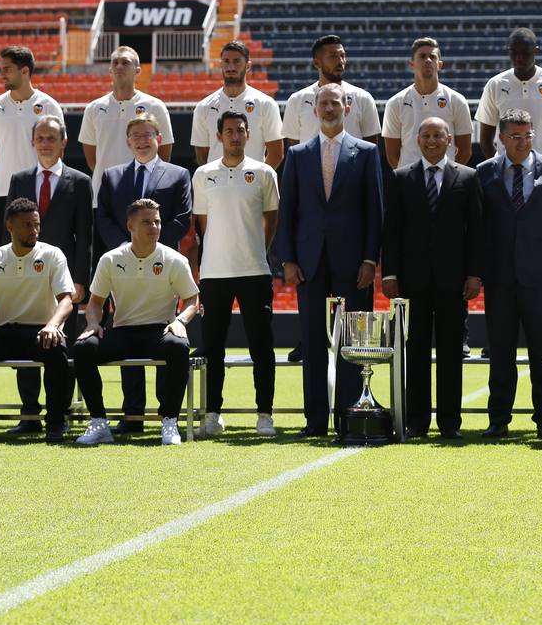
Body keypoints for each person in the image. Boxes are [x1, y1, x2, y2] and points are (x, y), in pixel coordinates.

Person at [273, 83, 383, 437]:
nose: (330, 108)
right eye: (324, 104)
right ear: (314, 110)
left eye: (336, 103)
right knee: (313, 342)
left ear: (347, 108)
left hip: (354, 263)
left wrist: (370, 259)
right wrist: (287, 259)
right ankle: (315, 420)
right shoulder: (298, 155)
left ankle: (350, 415)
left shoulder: (366, 153)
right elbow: (287, 211)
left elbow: (375, 212)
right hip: (309, 261)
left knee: (352, 343)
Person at [382, 117, 483, 438]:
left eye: (437, 135)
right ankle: (417, 421)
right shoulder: (400, 178)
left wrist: (474, 274)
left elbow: (476, 231)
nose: (431, 140)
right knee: (416, 352)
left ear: (449, 139)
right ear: (417, 139)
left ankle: (450, 423)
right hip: (413, 281)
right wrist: (391, 274)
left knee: (452, 353)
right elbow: (392, 231)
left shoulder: (469, 177)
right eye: (425, 135)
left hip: (454, 281)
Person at [72, 199, 200, 446]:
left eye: (157, 221)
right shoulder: (110, 259)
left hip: (160, 329)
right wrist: (92, 324)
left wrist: (181, 321)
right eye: (146, 222)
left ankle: (170, 420)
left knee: (179, 346)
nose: (154, 227)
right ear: (130, 225)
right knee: (83, 348)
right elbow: (96, 302)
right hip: (123, 331)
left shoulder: (174, 260)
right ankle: (99, 423)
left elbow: (192, 299)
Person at [97, 113, 192, 435]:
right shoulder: (111, 177)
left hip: (162, 268)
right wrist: (129, 248)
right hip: (123, 267)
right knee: (125, 326)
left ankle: (168, 415)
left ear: (159, 138)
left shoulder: (178, 174)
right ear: (127, 141)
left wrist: (151, 247)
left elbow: (182, 217)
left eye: (147, 134)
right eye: (135, 135)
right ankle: (132, 415)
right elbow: (105, 218)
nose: (141, 140)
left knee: (167, 335)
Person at [475, 108, 542, 438]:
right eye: (515, 135)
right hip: (499, 278)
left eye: (528, 135)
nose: (523, 141)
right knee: (501, 353)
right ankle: (498, 420)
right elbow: (480, 226)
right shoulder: (483, 173)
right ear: (500, 138)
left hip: (541, 277)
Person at [0, 198, 75, 443]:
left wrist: (53, 326)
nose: (33, 231)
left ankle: (55, 424)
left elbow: (66, 300)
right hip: (5, 331)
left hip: (41, 331)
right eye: (26, 225)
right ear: (10, 227)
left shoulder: (52, 255)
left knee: (57, 352)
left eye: (36, 225)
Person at [4, 115, 93, 434]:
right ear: (33, 141)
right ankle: (29, 414)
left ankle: (62, 413)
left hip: (63, 280)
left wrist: (80, 279)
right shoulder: (19, 179)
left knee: (60, 348)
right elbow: (10, 228)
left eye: (51, 138)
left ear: (63, 142)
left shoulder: (80, 181)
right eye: (40, 137)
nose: (45, 143)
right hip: (24, 278)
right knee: (26, 341)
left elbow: (85, 234)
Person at [193, 111, 279, 437]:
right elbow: (203, 223)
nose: (234, 136)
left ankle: (265, 414)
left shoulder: (264, 173)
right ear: (219, 136)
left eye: (240, 131)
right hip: (215, 273)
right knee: (213, 347)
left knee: (262, 346)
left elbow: (271, 218)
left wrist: (257, 247)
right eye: (228, 131)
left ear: (248, 134)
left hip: (255, 270)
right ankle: (213, 413)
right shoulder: (203, 174)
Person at [0, 45, 63, 239]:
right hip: (2, 190)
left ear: (25, 71)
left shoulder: (50, 105)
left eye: (7, 69)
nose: (1, 75)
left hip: (39, 190)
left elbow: (58, 152)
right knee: (4, 253)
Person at [79, 45, 174, 209]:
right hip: (103, 195)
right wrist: (113, 178)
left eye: (125, 62)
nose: (119, 66)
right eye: (115, 63)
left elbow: (164, 152)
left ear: (137, 70)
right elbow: (91, 157)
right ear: (110, 69)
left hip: (144, 196)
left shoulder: (155, 106)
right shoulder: (93, 108)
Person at [475, 28, 542, 174]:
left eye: (525, 53)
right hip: (507, 174)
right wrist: (502, 167)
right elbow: (485, 138)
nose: (519, 58)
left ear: (536, 51)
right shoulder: (495, 84)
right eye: (514, 53)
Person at [383, 37, 474, 170]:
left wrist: (449, 175)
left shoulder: (457, 100)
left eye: (432, 56)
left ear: (440, 64)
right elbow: (392, 155)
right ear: (412, 63)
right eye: (422, 56)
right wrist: (410, 177)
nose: (428, 60)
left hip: (445, 183)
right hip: (410, 182)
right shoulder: (395, 103)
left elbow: (465, 151)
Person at [190, 41, 283, 169]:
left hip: (253, 186)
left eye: (237, 61)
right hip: (216, 186)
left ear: (248, 65)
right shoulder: (203, 107)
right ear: (221, 64)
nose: (231, 67)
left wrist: (259, 179)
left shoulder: (266, 104)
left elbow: (276, 153)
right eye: (226, 61)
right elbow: (201, 155)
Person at [280, 34, 382, 148]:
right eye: (333, 56)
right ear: (317, 63)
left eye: (342, 55)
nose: (340, 61)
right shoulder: (297, 100)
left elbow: (371, 148)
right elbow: (294, 149)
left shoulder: (363, 98)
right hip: (311, 166)